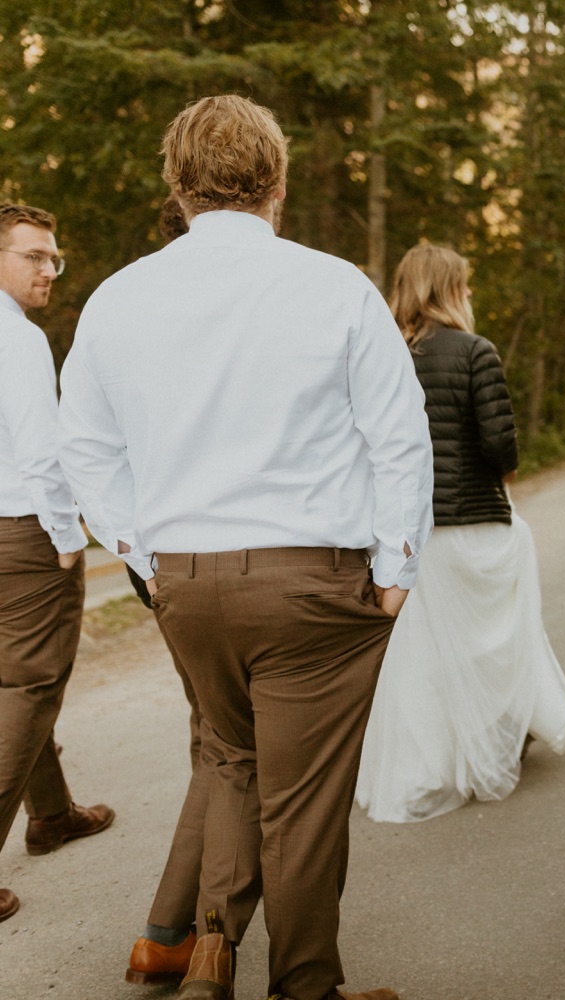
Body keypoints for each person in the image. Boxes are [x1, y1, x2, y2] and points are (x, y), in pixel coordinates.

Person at [58, 95, 432, 1000]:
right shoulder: (334, 284)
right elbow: (400, 437)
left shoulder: (118, 297)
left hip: (188, 582)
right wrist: (396, 571)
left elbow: (84, 449)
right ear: (278, 183)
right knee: (301, 805)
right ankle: (306, 986)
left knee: (230, 762)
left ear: (177, 187)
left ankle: (211, 959)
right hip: (313, 585)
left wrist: (145, 555)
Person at [356, 243, 565, 823]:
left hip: (404, 535)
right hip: (473, 521)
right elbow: (501, 447)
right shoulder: (477, 352)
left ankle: (431, 761)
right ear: (449, 289)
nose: (471, 295)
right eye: (466, 284)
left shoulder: (381, 355)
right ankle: (501, 733)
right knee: (495, 636)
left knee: (421, 658)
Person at [0, 202, 114, 926]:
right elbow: (41, 453)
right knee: (30, 685)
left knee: (11, 677)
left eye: (53, 258)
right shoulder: (17, 339)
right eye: (32, 256)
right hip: (23, 535)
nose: (49, 270)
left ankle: (51, 814)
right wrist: (67, 537)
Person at [122, 191, 205, 987]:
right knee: (229, 747)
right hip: (220, 551)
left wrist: (131, 545)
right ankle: (178, 930)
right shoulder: (228, 312)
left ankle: (178, 931)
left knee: (212, 733)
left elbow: (101, 441)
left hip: (160, 557)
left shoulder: (131, 302)